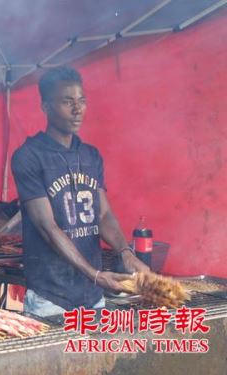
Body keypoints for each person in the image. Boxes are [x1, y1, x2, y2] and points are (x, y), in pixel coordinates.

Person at [10, 66, 149, 318]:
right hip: (51, 297)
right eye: (67, 102)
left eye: (81, 101)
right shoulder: (28, 156)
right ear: (45, 107)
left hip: (93, 295)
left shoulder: (90, 156)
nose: (77, 109)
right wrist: (94, 274)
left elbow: (104, 215)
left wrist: (126, 253)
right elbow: (47, 228)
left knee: (97, 358)